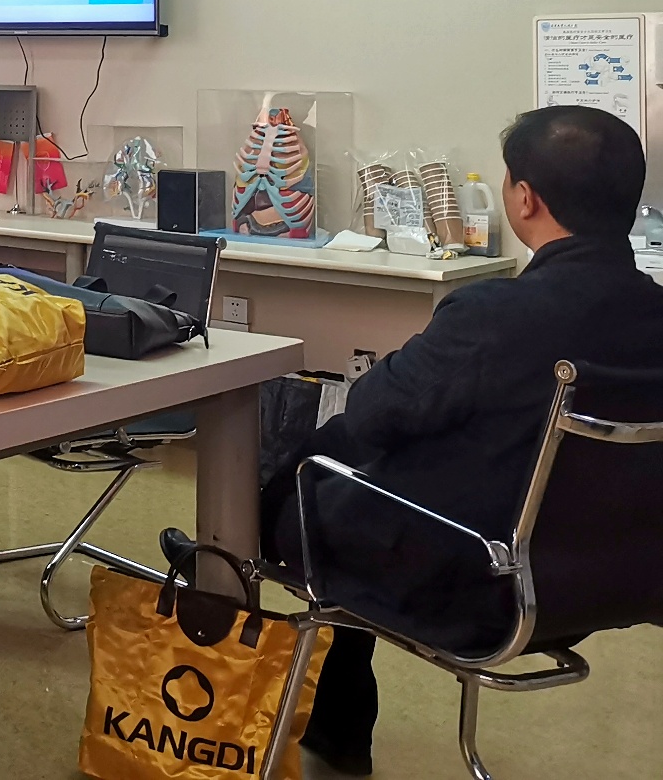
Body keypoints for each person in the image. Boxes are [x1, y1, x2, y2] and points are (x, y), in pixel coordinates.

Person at [253, 105, 663, 776]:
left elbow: (373, 413)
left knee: (304, 478)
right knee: (354, 473)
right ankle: (334, 729)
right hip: (615, 580)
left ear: (525, 198)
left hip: (477, 582)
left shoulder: (496, 314)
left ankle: (222, 700)